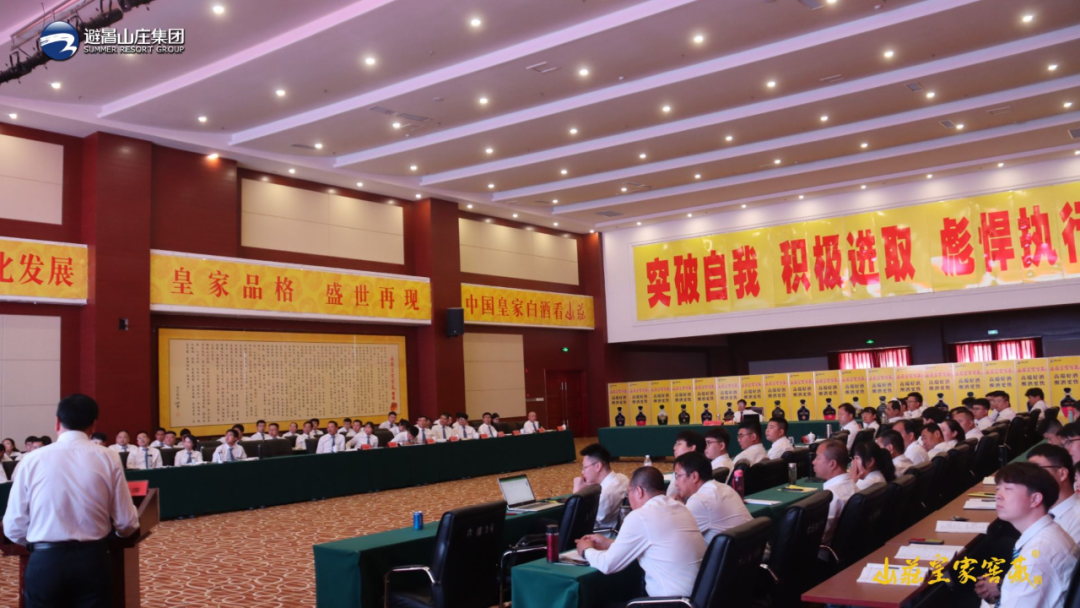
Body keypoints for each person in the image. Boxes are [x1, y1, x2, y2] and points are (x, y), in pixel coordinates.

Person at [2, 394, 140, 607]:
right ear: (93, 425)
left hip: (44, 563)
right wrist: (118, 535)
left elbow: (13, 526)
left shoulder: (31, 460)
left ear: (57, 422)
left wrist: (38, 545)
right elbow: (126, 522)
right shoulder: (108, 457)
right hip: (93, 561)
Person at [575, 466, 706, 597]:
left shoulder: (640, 516)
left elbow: (608, 565)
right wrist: (610, 543)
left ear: (639, 491)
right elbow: (658, 544)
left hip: (670, 602)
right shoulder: (681, 508)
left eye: (629, 493)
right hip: (698, 598)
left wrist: (586, 550)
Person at [973, 463, 1078, 608]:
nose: (998, 496)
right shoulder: (1051, 531)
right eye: (998, 489)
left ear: (1035, 499)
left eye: (1008, 489)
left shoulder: (1035, 558)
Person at [673, 452, 752, 543]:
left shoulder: (699, 500)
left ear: (694, 476)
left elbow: (675, 537)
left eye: (678, 476)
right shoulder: (725, 488)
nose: (676, 483)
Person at [1027, 444, 1080, 543]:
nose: (1030, 478)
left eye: (1037, 470)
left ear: (1062, 474)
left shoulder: (1077, 519)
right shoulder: (1043, 511)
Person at [813, 439, 856, 560]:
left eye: (818, 458)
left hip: (821, 557)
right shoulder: (853, 486)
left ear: (832, 464)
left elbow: (819, 537)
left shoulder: (832, 496)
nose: (813, 462)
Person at [573, 443, 629, 530]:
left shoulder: (604, 495)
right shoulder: (623, 478)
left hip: (597, 534)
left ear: (598, 466)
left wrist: (577, 493)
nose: (582, 472)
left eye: (584, 467)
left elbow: (575, 520)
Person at [667, 430, 705, 498]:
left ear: (692, 448)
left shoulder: (683, 468)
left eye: (679, 444)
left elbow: (670, 497)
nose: (674, 448)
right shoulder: (704, 465)